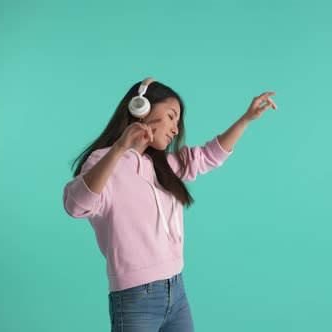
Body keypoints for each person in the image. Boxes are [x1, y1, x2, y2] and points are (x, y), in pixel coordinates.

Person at [62, 77, 278, 332]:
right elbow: (76, 205)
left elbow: (209, 155)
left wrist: (246, 119)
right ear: (141, 108)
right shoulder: (105, 161)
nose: (176, 129)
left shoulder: (163, 167)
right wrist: (120, 147)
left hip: (176, 291)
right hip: (135, 298)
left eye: (178, 122)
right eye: (171, 116)